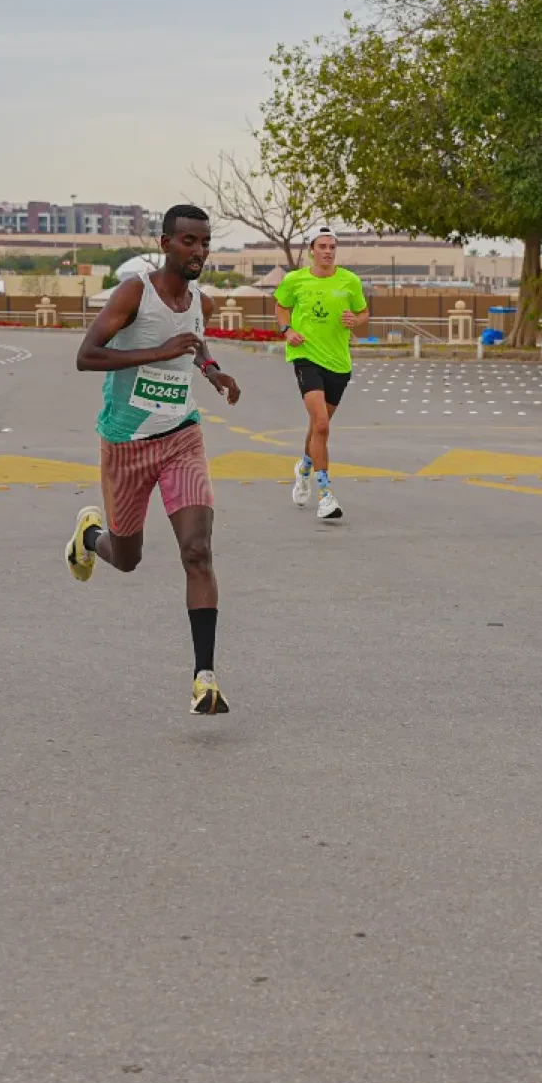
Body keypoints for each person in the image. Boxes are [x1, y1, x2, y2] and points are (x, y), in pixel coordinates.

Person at [65, 204, 242, 714]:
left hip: (181, 437)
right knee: (127, 558)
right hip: (126, 443)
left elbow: (194, 345)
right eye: (189, 241)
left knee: (197, 551)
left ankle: (205, 679)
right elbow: (86, 355)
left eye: (205, 243)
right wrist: (159, 352)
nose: (199, 251)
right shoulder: (133, 294)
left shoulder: (201, 301)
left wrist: (213, 371)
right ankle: (89, 538)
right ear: (165, 243)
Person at [275, 227, 371, 521]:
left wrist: (355, 319)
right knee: (321, 424)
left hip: (339, 363)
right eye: (322, 246)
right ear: (311, 250)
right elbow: (281, 307)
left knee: (318, 428)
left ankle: (305, 467)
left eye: (332, 247)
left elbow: (364, 314)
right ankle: (326, 495)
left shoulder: (349, 281)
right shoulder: (295, 280)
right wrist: (287, 330)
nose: (328, 251)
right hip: (306, 357)